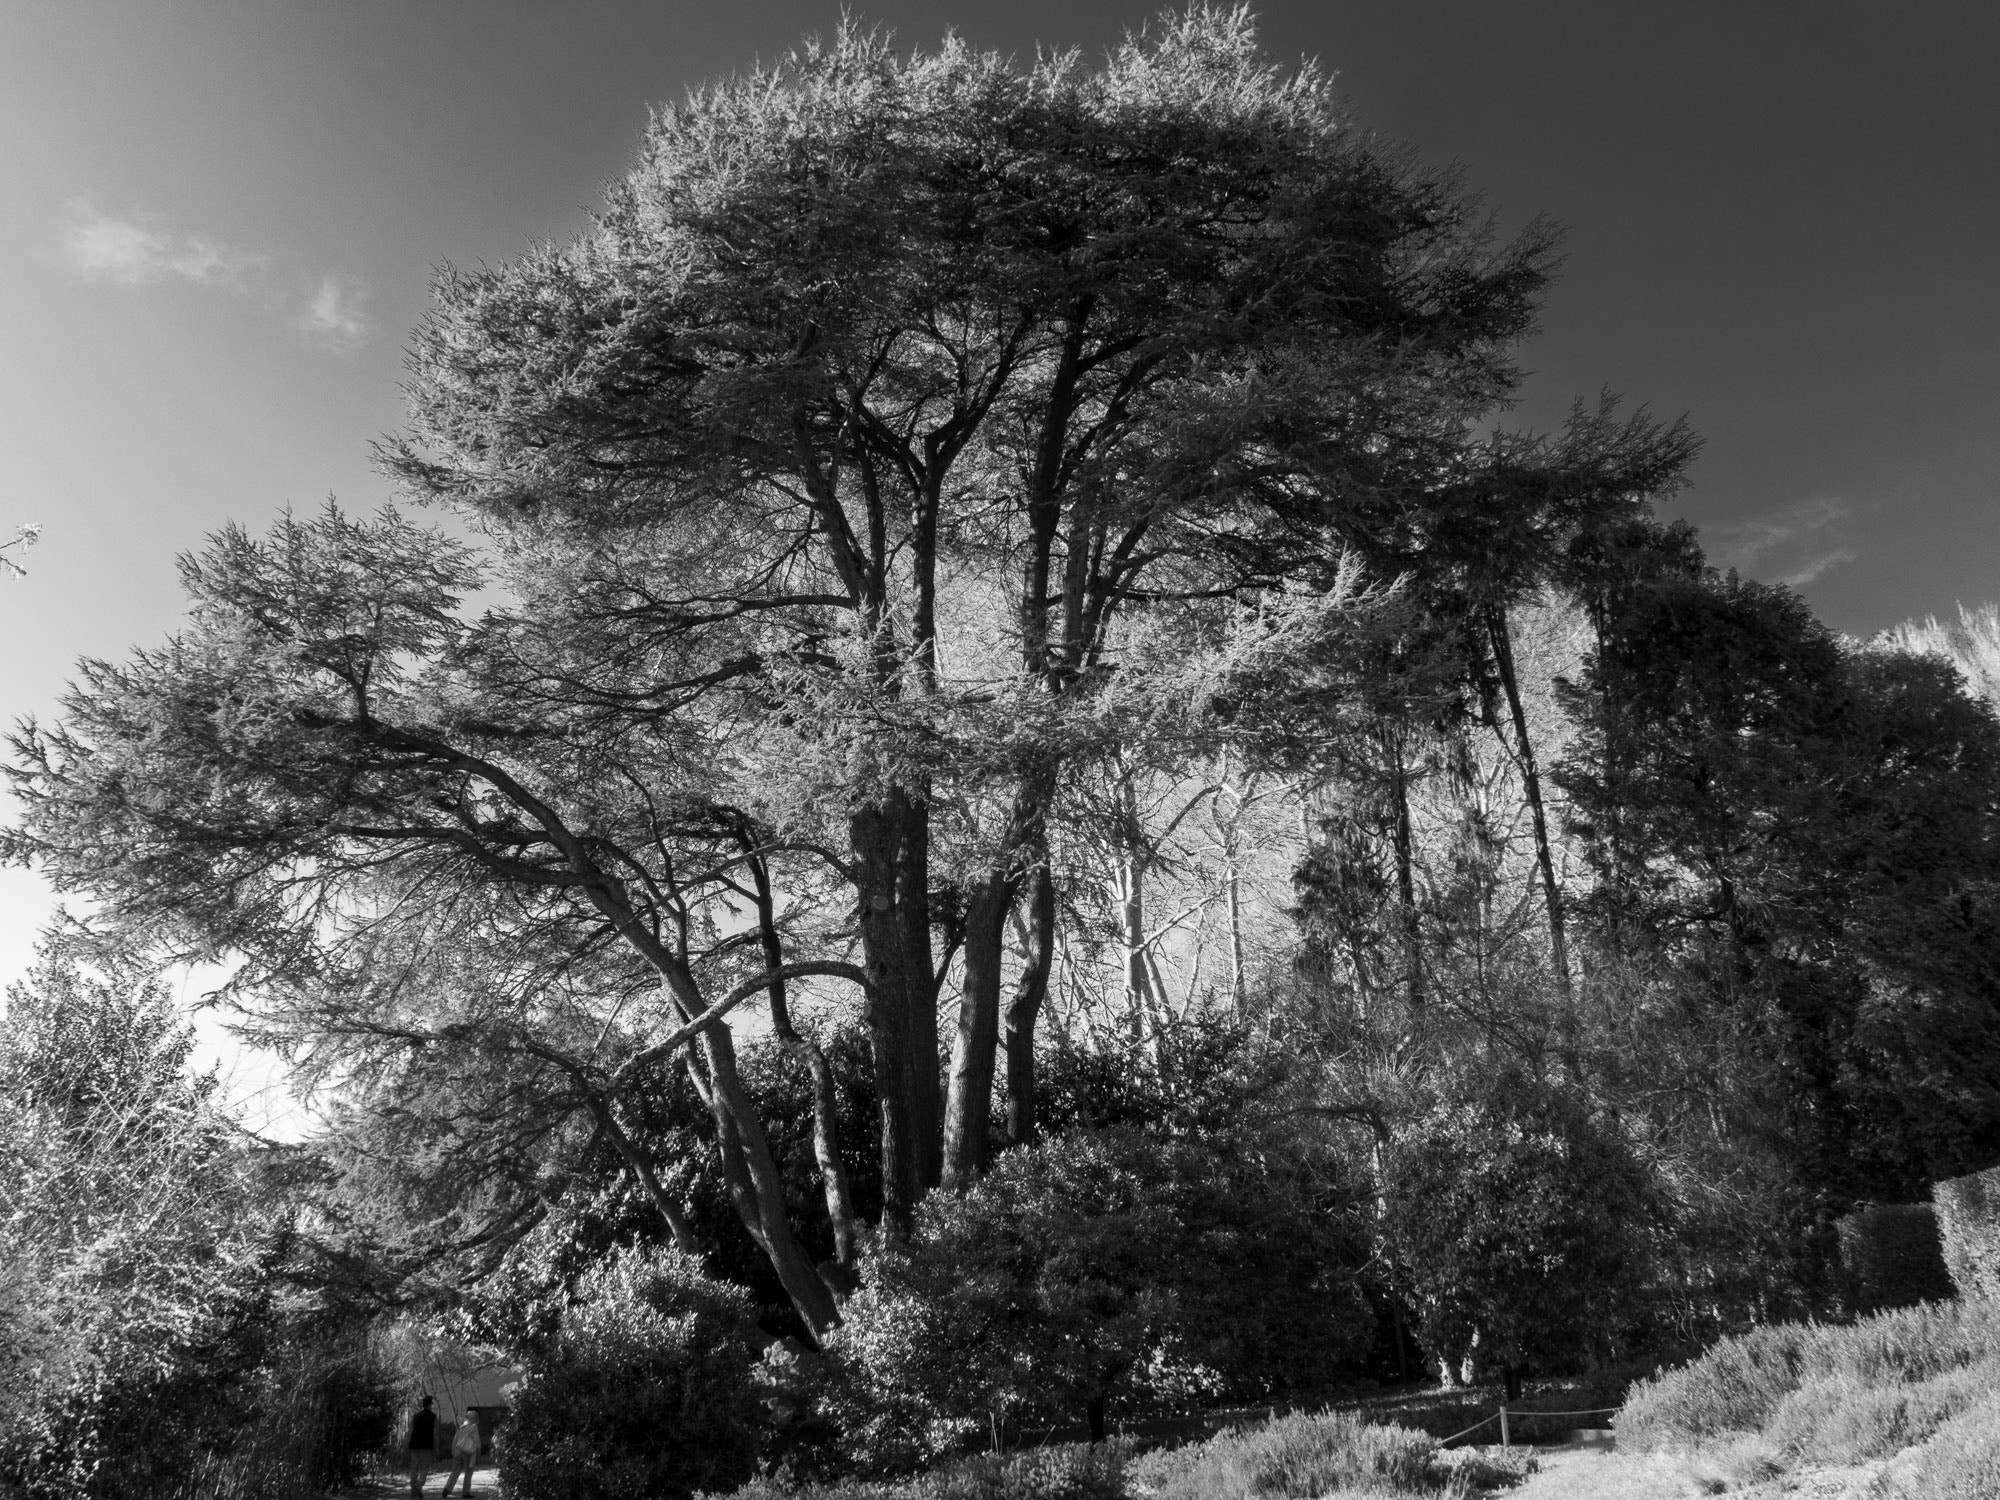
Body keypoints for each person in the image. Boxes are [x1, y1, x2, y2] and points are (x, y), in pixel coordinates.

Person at [440, 1408, 481, 1498]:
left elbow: (455, 1440)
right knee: (468, 1472)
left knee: (455, 1472)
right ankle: (466, 1492)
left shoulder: (461, 1427)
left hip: (458, 1452)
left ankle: (447, 1489)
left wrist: (453, 1450)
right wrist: (478, 1452)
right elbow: (477, 1441)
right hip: (468, 1453)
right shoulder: (474, 1427)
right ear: (475, 1419)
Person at [406, 1396, 439, 1496]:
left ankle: (413, 1489)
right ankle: (419, 1485)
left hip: (415, 1444)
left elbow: (410, 1430)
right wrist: (436, 1446)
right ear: (430, 1405)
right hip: (427, 1445)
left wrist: (408, 1442)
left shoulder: (415, 1416)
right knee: (425, 1467)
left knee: (414, 1467)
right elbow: (435, 1433)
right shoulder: (433, 1417)